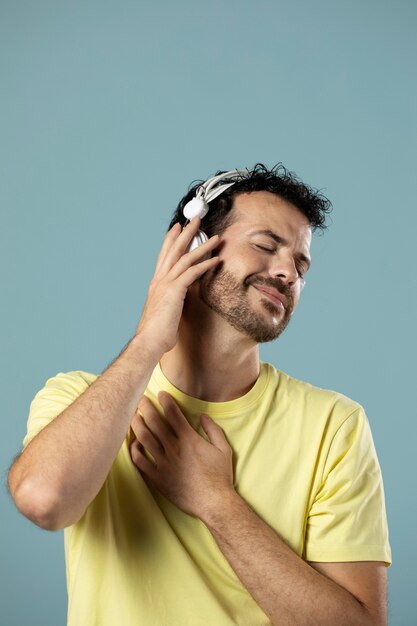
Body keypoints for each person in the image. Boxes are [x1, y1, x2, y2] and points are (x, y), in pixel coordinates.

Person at [8, 163, 392, 626]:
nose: (289, 273)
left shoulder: (334, 424)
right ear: (192, 249)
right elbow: (44, 501)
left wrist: (215, 501)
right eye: (267, 246)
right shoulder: (78, 399)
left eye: (301, 264)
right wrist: (149, 337)